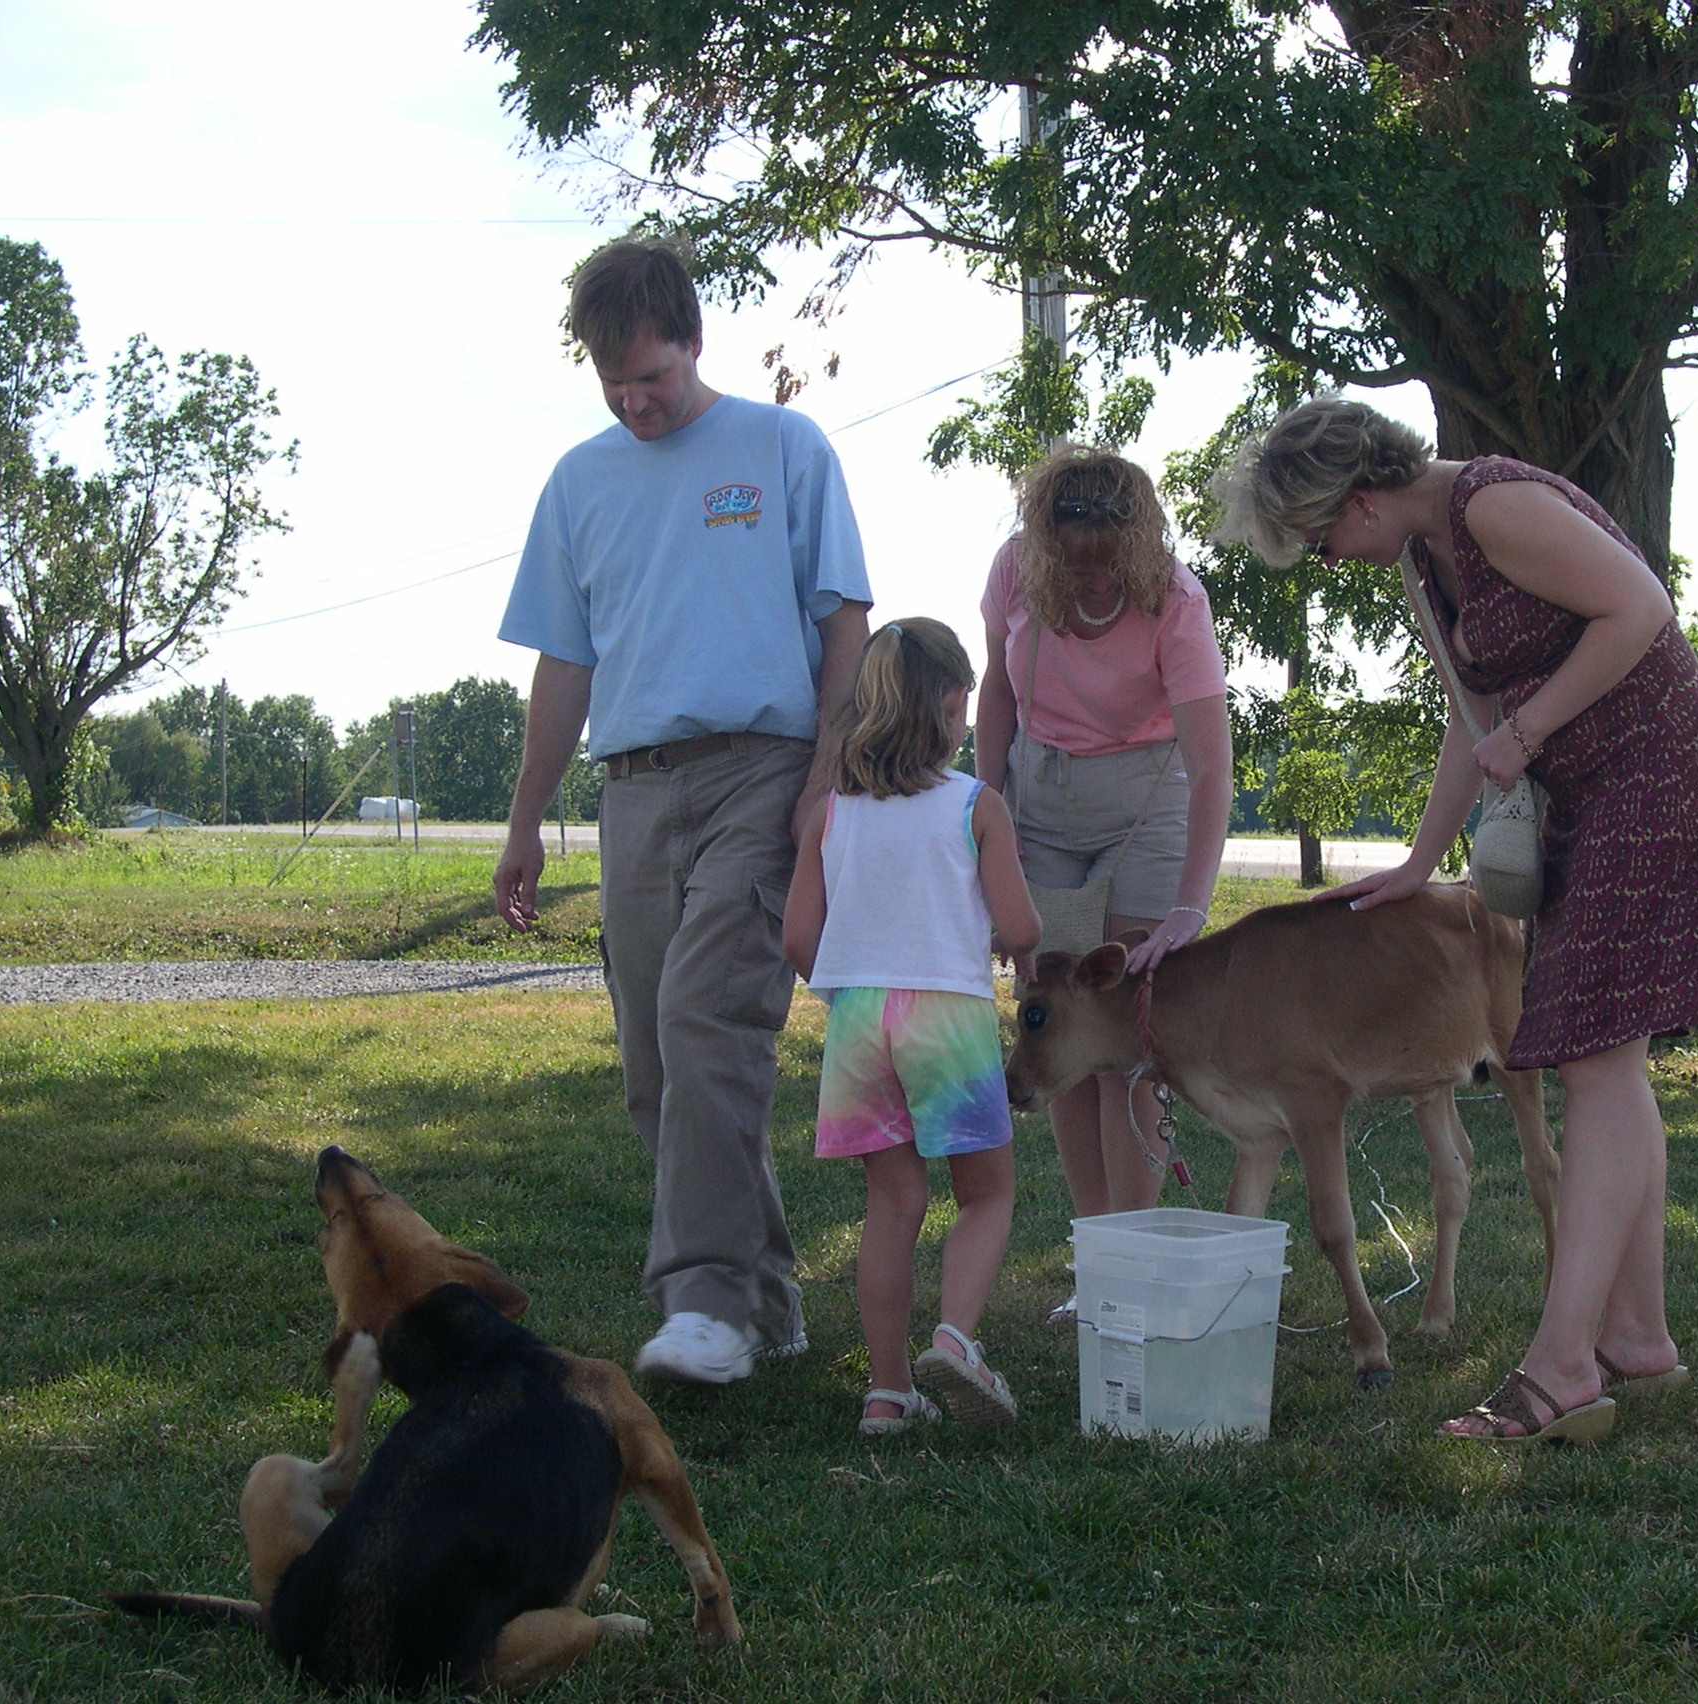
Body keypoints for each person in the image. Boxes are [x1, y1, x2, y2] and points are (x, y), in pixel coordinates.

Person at [1214, 397, 1698, 1444]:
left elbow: (1639, 607)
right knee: (1612, 1063)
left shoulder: (1492, 502)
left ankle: (1561, 1370)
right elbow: (1476, 724)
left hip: (1660, 780)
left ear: (1359, 498)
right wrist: (1420, 862)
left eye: (1321, 538)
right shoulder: (1424, 554)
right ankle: (1637, 1340)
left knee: (1594, 1060)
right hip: (1594, 797)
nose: (1327, 561)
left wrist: (1534, 727)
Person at [493, 235, 872, 1385]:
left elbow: (845, 621)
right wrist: (523, 822)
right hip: (634, 791)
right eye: (613, 382)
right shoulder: (579, 482)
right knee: (656, 1062)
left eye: (651, 377)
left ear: (693, 342)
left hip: (763, 770)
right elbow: (564, 666)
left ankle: (700, 1302)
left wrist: (822, 785)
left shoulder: (780, 447)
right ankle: (761, 1291)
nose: (633, 400)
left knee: (711, 1019)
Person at [973, 448, 1233, 1304]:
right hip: (1041, 793)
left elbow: (1208, 771)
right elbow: (996, 699)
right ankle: (1098, 1255)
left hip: (1147, 796)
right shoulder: (1013, 571)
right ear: (1044, 544)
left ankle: (1135, 1245)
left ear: (1135, 543)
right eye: (1071, 562)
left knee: (1127, 1029)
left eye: (1104, 564)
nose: (1087, 584)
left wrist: (1189, 908)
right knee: (1057, 1019)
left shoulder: (1178, 602)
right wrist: (990, 819)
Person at [783, 618, 1042, 1435]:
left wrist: (849, 987)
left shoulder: (830, 814)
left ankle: (888, 1394)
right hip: (948, 1020)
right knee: (988, 1191)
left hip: (861, 1021)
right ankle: (955, 1341)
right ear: (952, 702)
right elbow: (1022, 926)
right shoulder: (976, 806)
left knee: (892, 1204)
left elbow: (798, 938)